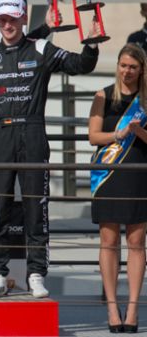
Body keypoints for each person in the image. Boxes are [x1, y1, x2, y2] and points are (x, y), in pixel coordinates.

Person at [0, 0, 99, 298]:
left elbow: (80, 65)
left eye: (13, 18)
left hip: (32, 134)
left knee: (36, 209)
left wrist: (92, 42)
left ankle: (36, 274)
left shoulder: (41, 48)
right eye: (2, 19)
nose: (7, 24)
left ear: (22, 18)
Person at [87, 44, 147, 332]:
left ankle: (133, 308)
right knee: (108, 242)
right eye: (123, 65)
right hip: (107, 175)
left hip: (138, 175)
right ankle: (112, 308)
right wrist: (118, 133)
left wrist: (138, 132)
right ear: (118, 65)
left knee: (136, 243)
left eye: (133, 67)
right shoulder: (103, 96)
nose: (127, 71)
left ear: (141, 69)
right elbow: (93, 136)